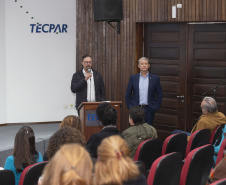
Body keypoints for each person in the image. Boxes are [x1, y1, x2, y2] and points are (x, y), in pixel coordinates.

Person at [125, 57, 162, 125]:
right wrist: (130, 107)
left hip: (149, 109)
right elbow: (128, 94)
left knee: (148, 131)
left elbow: (159, 94)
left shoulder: (155, 78)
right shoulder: (133, 78)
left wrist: (155, 106)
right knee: (136, 130)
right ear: (139, 66)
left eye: (146, 64)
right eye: (142, 64)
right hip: (136, 109)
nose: (144, 65)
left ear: (149, 66)